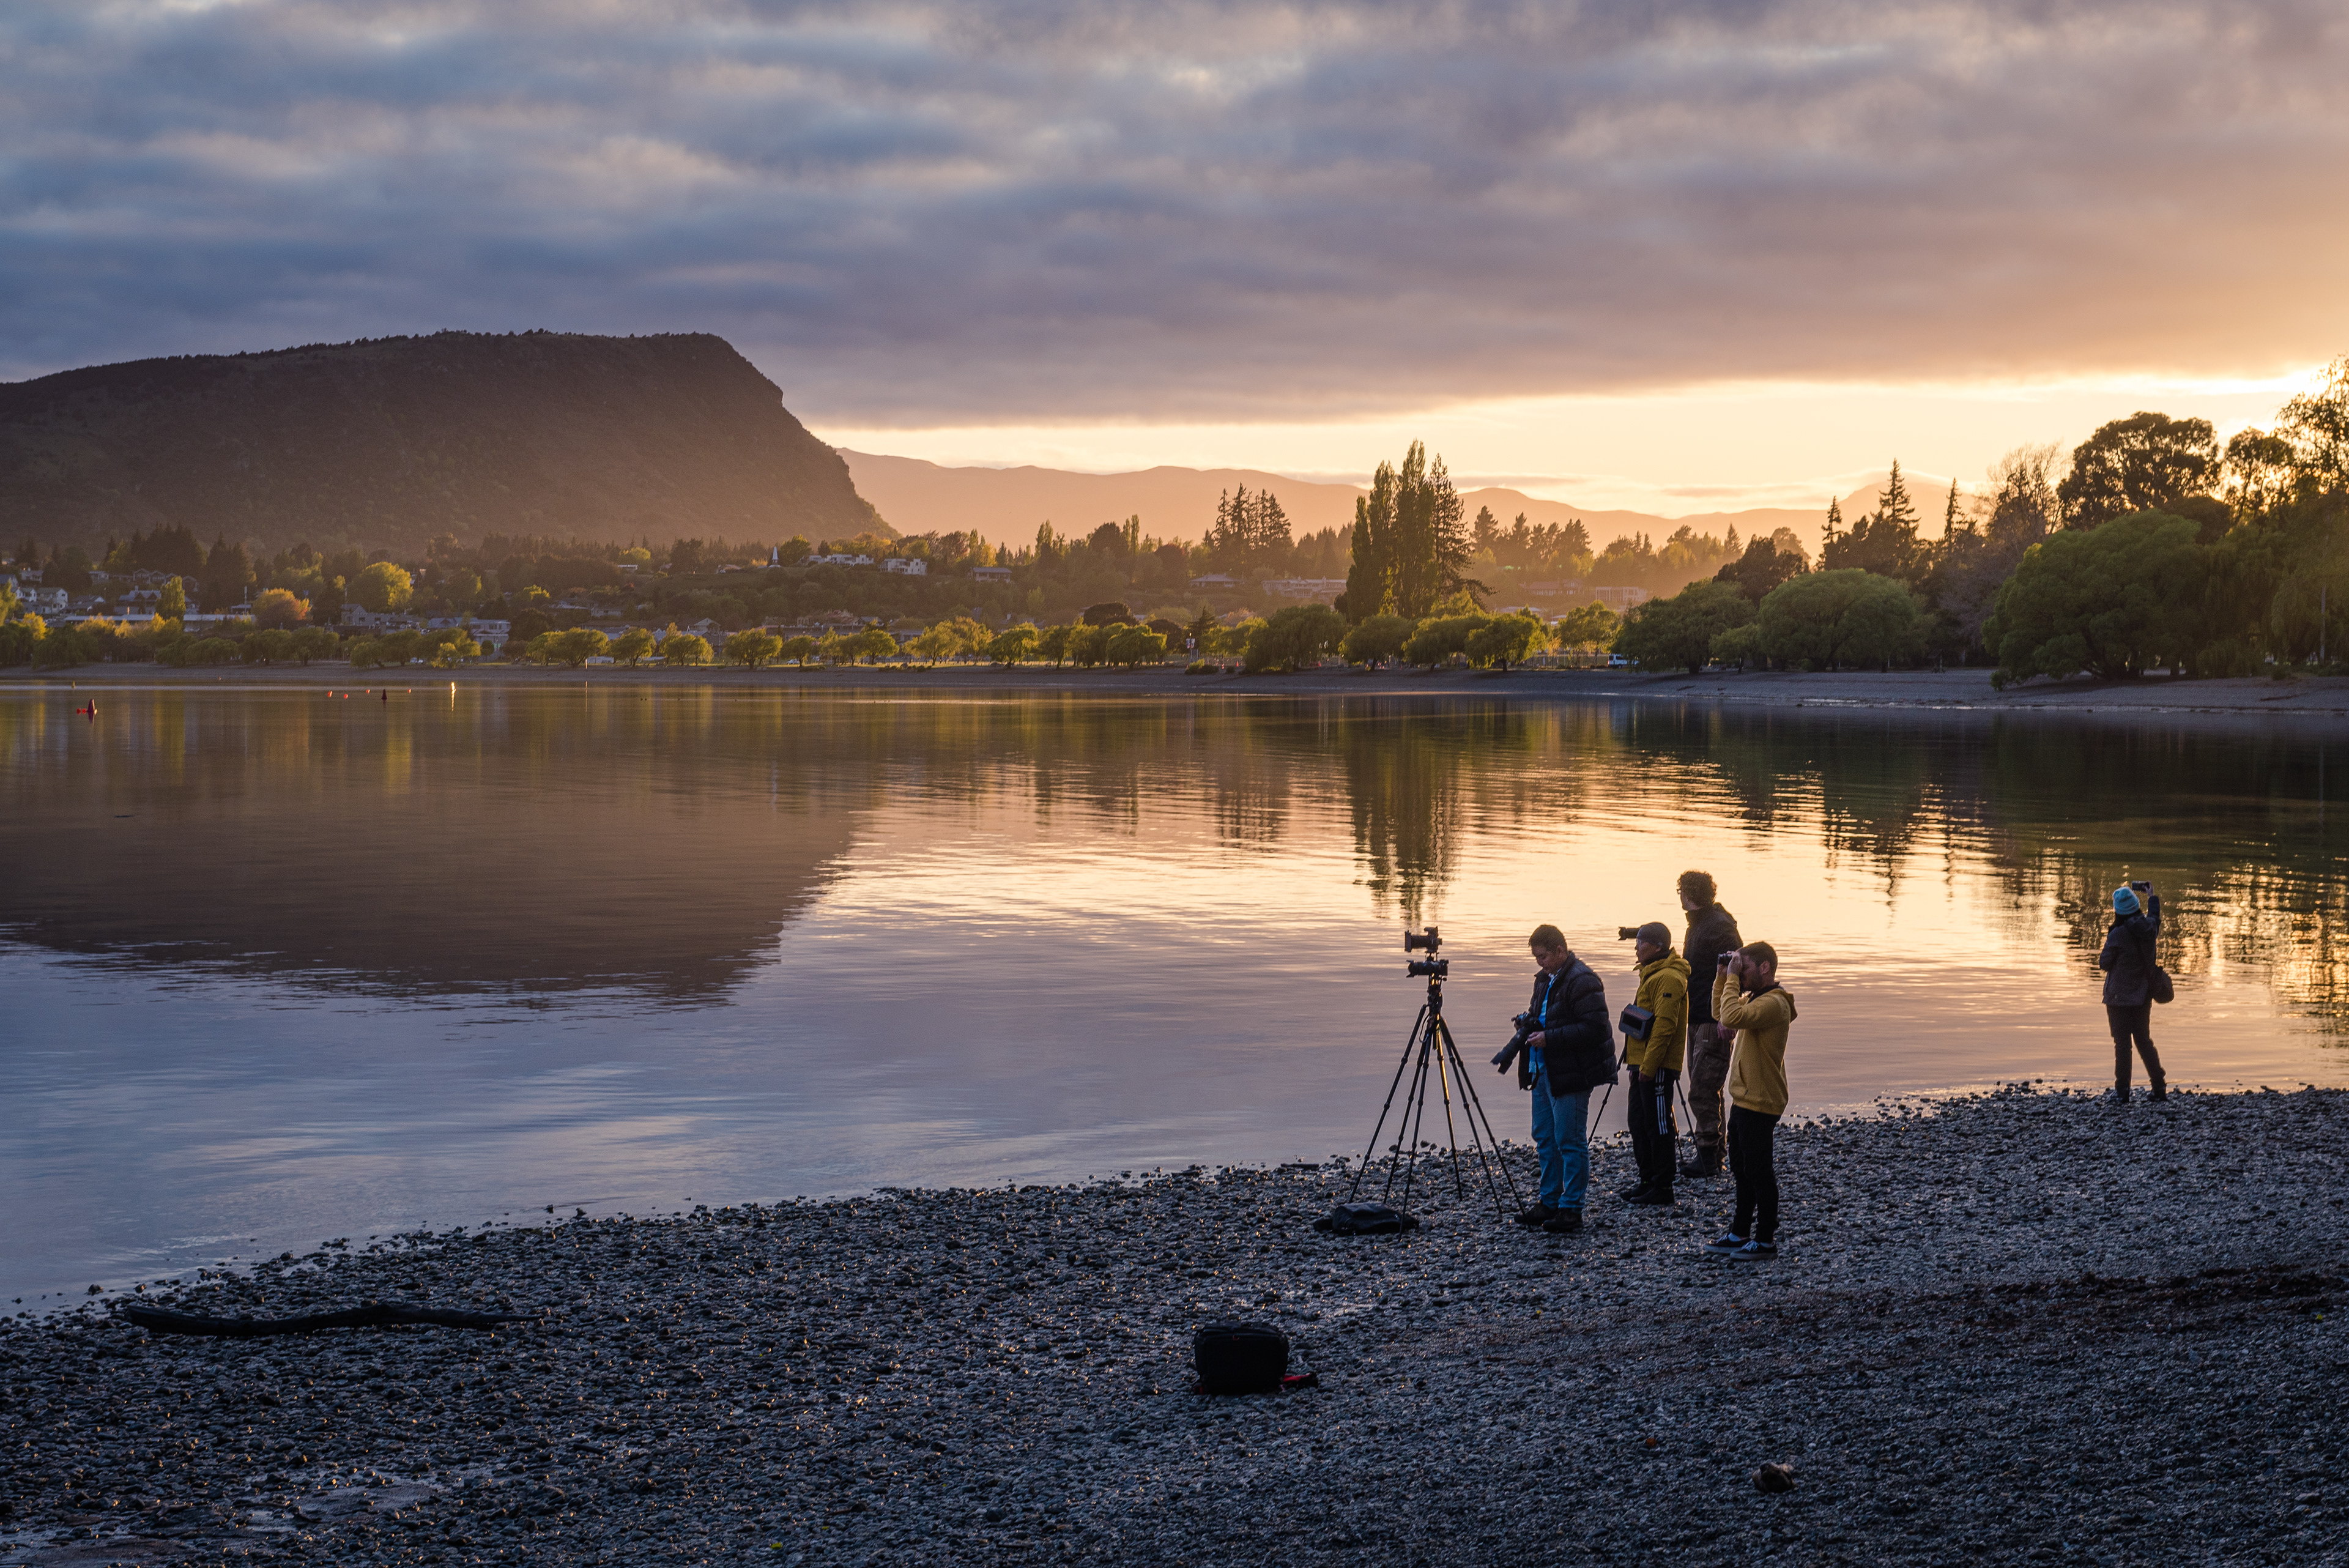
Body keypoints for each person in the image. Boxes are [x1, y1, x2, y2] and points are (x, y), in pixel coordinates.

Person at [1493, 924, 1613, 1235]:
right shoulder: (1546, 978)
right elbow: (1549, 1015)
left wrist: (1550, 1037)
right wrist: (1529, 1022)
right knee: (1545, 1137)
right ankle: (1550, 1201)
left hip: (1571, 1073)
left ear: (1561, 951)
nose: (1539, 963)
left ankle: (1571, 1209)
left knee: (1570, 1141)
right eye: (1536, 958)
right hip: (1543, 1069)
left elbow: (1597, 1029)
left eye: (1543, 957)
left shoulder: (1583, 980)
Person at [1700, 942, 1794, 1263]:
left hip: (1762, 1099)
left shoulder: (1775, 1004)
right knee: (1742, 1169)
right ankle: (1740, 1232)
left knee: (1759, 1171)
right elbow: (1718, 1013)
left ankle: (1765, 1239)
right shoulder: (1756, 1000)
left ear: (1765, 968)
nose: (1742, 975)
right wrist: (1722, 975)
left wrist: (1730, 979)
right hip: (1744, 1098)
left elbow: (1730, 1015)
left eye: (1747, 969)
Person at [1617, 922, 1690, 1207]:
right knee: (1638, 1122)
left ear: (1658, 947)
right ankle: (1647, 1180)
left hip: (1656, 1067)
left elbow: (1665, 1026)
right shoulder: (1651, 973)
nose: (1636, 947)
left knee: (1658, 1125)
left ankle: (1663, 1187)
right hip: (1640, 1064)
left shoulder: (1670, 977)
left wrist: (1649, 1067)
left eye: (1641, 942)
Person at [1675, 871, 1742, 1179]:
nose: (1679, 897)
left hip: (1711, 1019)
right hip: (1698, 1015)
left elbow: (1735, 972)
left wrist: (1724, 1017)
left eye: (1681, 892)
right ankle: (1715, 1152)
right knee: (1706, 1086)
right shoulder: (1701, 924)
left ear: (1688, 894)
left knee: (1703, 1087)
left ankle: (1708, 1156)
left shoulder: (1718, 927)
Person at [2099, 880, 2167, 1102]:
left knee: (2123, 1044)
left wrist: (2111, 937)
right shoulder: (2150, 929)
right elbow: (2155, 915)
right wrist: (2152, 895)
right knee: (2143, 1040)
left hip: (2118, 998)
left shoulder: (2117, 935)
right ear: (2137, 906)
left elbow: (2104, 963)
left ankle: (2122, 1093)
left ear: (2118, 911)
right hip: (2143, 996)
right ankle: (2159, 1088)